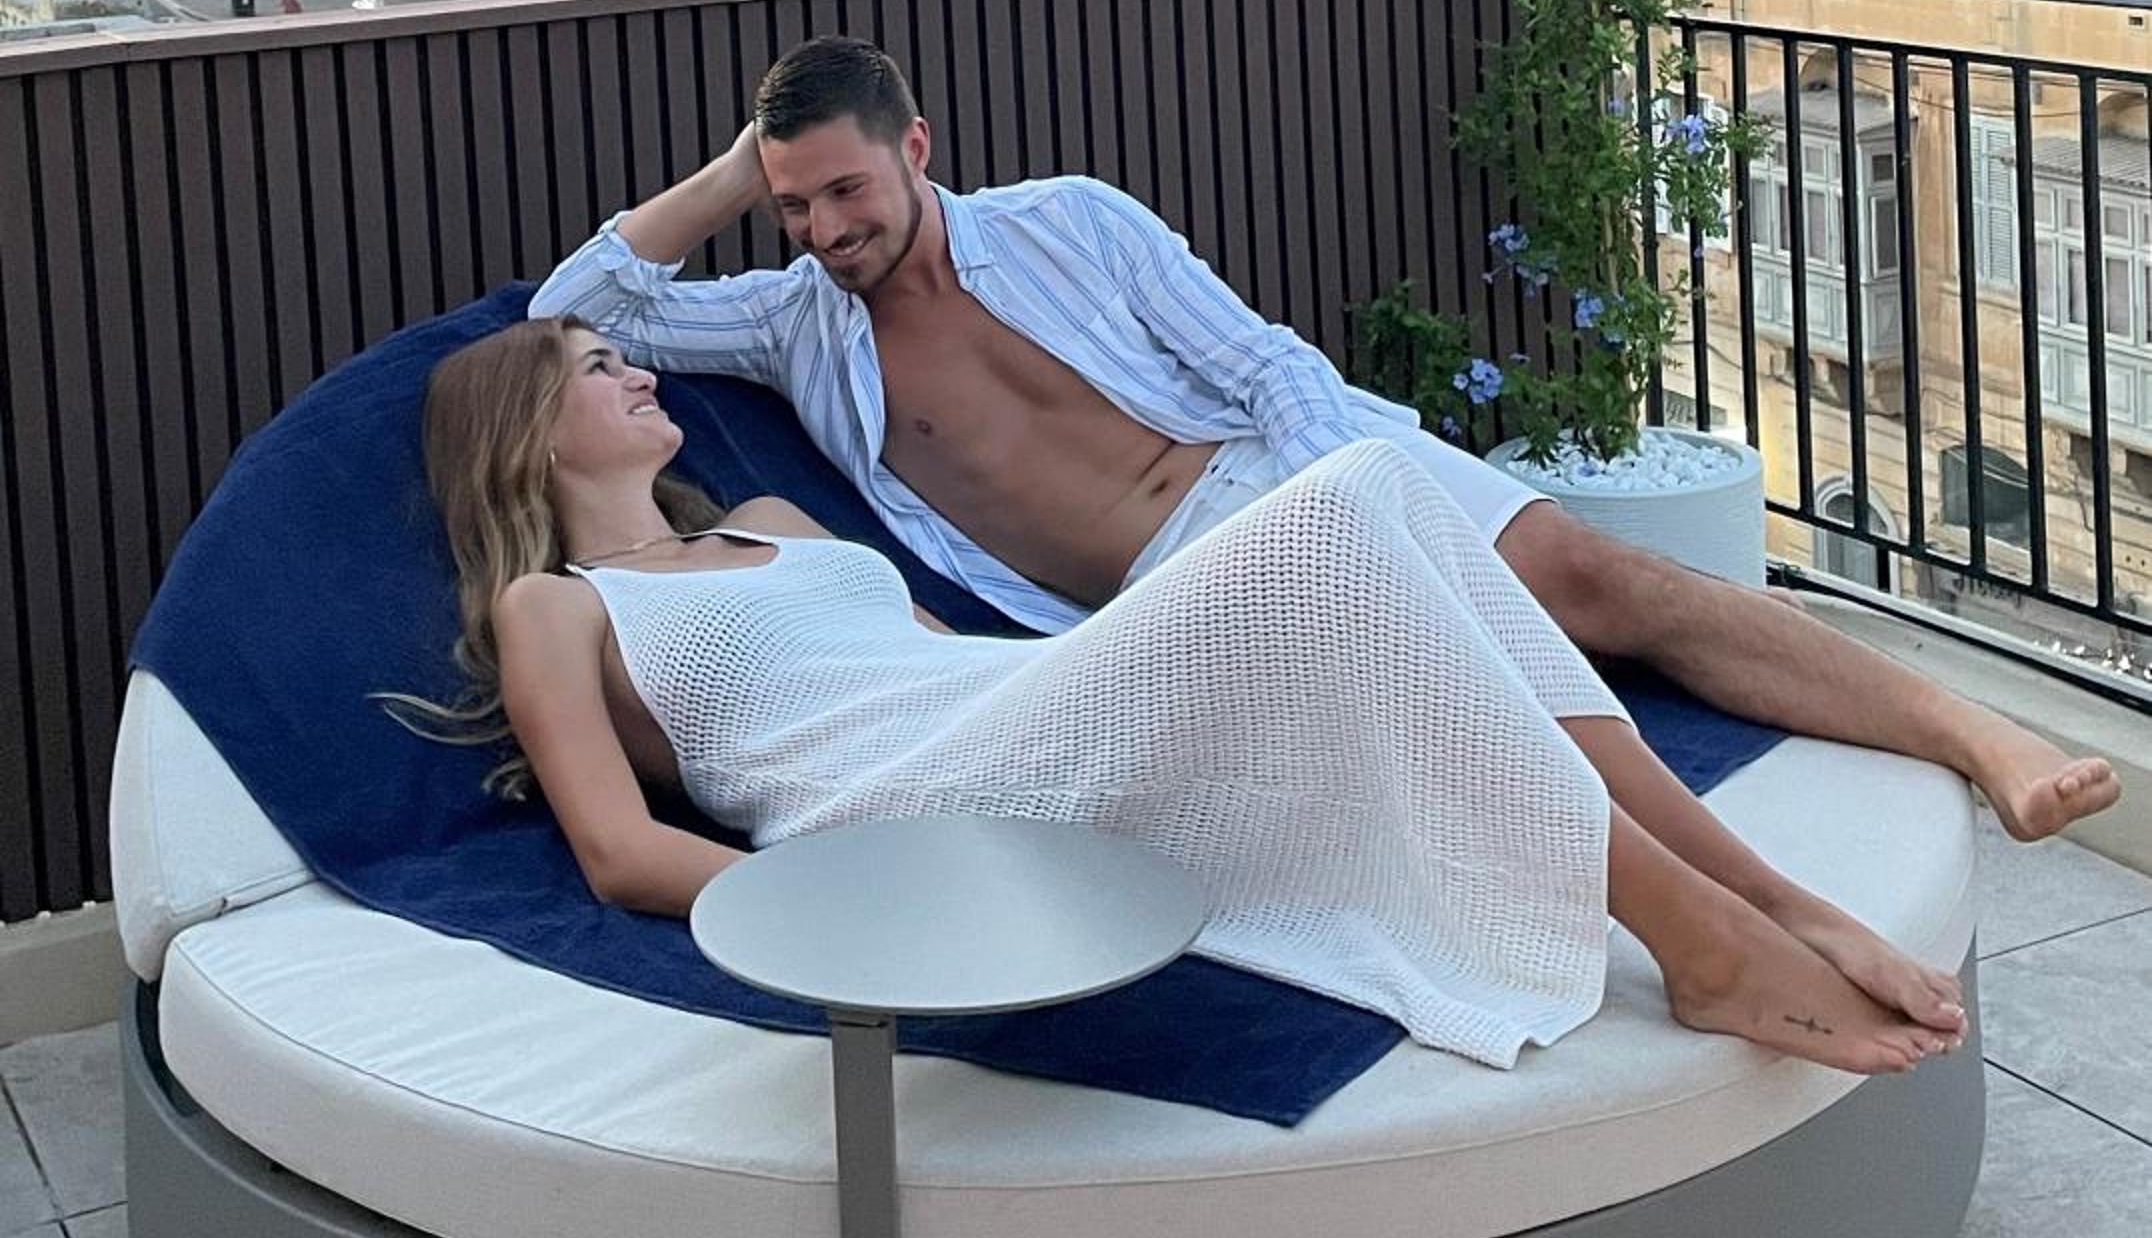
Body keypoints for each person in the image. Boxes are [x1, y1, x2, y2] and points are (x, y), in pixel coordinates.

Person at [532, 39, 2120, 856]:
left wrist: (1329, 507)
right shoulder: (788, 322)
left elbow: (1265, 365)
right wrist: (737, 171)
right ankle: (1720, 907)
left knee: (1599, 579)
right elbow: (573, 305)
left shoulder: (1071, 221)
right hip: (1159, 598)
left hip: (1284, 474)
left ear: (917, 153)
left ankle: (1969, 731)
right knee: (1456, 694)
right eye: (793, 205)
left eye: (844, 191)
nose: (824, 229)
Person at [421, 313, 1968, 1075]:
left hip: (1010, 709)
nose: (638, 370)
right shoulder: (560, 607)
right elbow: (618, 852)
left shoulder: (773, 524)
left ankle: (1764, 896)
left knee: (1388, 489)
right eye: (597, 366)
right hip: (904, 809)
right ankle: (1704, 943)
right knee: (1335, 511)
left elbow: (929, 652)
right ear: (529, 432)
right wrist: (845, 897)